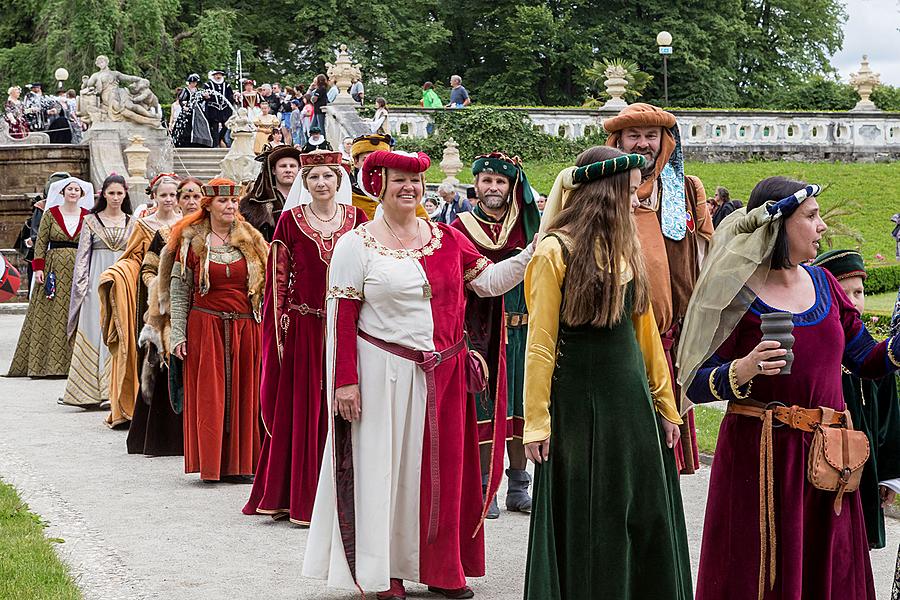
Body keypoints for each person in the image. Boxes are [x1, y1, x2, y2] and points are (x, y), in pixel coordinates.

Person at [302, 149, 534, 599]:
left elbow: (488, 283)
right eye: (398, 180)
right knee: (383, 472)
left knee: (441, 475)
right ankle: (383, 570)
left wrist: (535, 251)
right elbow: (342, 318)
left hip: (442, 375)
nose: (409, 188)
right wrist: (344, 381)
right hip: (379, 373)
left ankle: (441, 568)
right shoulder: (358, 243)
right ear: (378, 185)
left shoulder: (446, 238)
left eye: (415, 181)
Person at [678, 177, 900, 600]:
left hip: (830, 458)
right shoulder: (735, 294)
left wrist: (897, 348)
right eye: (811, 217)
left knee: (828, 569)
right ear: (779, 224)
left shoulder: (825, 286)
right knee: (755, 570)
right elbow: (692, 382)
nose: (821, 227)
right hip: (760, 459)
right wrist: (741, 370)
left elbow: (866, 360)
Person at [523, 147, 691, 599]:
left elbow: (646, 334)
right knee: (592, 512)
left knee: (640, 509)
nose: (639, 197)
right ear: (608, 191)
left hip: (631, 401)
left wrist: (665, 405)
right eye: (632, 188)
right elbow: (540, 342)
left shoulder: (627, 248)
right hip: (579, 401)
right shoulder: (554, 252)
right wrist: (537, 420)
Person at [244, 150, 367, 525]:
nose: (321, 184)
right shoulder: (289, 222)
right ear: (304, 183)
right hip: (304, 329)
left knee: (348, 406)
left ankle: (348, 496)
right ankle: (299, 495)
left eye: (328, 176)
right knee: (305, 410)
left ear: (339, 180)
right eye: (313, 178)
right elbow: (278, 283)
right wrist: (278, 333)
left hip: (347, 327)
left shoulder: (358, 221)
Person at [605, 102, 714, 474]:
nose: (643, 144)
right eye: (633, 135)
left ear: (665, 141)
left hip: (669, 339)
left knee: (663, 455)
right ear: (617, 141)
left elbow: (705, 261)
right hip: (616, 338)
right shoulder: (598, 190)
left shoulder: (685, 190)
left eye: (651, 136)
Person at [451, 152, 542, 519]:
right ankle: (485, 486)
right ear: (475, 184)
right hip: (480, 333)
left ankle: (519, 487)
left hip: (526, 329)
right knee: (484, 410)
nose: (492, 187)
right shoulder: (460, 227)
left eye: (500, 181)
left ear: (511, 186)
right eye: (486, 180)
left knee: (523, 408)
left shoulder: (528, 229)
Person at [166, 178, 268, 482]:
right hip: (205, 325)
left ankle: (243, 464)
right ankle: (212, 464)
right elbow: (180, 288)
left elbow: (266, 286)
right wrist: (177, 333)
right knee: (210, 396)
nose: (231, 206)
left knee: (246, 394)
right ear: (208, 205)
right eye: (224, 201)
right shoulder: (190, 240)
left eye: (234, 201)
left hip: (246, 327)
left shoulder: (251, 238)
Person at [811, 249, 900, 550]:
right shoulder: (820, 354)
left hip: (867, 467)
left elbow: (890, 416)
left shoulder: (875, 356)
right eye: (843, 292)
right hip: (826, 465)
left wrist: (889, 475)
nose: (853, 300)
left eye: (859, 292)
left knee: (859, 543)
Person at [97, 174, 183, 428]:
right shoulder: (145, 225)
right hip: (150, 296)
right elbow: (131, 258)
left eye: (172, 194)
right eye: (163, 195)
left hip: (180, 292)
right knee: (152, 353)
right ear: (154, 197)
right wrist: (119, 274)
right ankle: (147, 413)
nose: (168, 199)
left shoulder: (185, 223)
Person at [126, 177, 202, 455]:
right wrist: (160, 289)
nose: (191, 202)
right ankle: (165, 438)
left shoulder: (215, 233)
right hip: (168, 310)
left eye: (196, 196)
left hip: (205, 310)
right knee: (167, 366)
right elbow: (147, 269)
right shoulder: (165, 235)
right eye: (186, 197)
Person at [61, 174, 134, 410]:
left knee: (120, 330)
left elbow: (134, 256)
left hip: (122, 280)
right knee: (96, 330)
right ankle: (88, 391)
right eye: (111, 193)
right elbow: (82, 257)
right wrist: (82, 288)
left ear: (125, 195)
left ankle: (114, 391)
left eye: (119, 193)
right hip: (95, 282)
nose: (115, 197)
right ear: (103, 194)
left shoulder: (132, 222)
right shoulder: (91, 221)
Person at [8, 177, 93, 377]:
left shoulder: (88, 216)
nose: (73, 192)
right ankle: (44, 364)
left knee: (76, 311)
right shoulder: (51, 214)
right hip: (53, 267)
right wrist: (39, 268)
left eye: (76, 189)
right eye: (69, 189)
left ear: (82, 194)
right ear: (62, 192)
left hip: (78, 267)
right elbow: (41, 242)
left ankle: (76, 364)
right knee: (49, 311)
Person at [347, 133, 429, 221]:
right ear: (356, 162)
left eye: (381, 162)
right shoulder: (348, 198)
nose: (375, 167)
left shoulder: (406, 199)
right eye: (366, 160)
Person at [239, 145, 301, 242]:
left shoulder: (308, 199)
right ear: (273, 171)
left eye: (292, 166)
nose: (288, 170)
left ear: (299, 170)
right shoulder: (253, 204)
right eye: (283, 166)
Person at [172, 74, 212, 148]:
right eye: (192, 82)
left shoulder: (198, 91)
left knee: (202, 123)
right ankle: (184, 142)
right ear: (190, 82)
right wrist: (184, 106)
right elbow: (181, 100)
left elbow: (201, 99)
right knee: (186, 126)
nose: (194, 84)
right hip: (187, 111)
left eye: (195, 82)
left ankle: (198, 142)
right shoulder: (185, 90)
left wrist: (206, 97)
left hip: (196, 110)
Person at [203, 70, 234, 148]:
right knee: (214, 127)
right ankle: (215, 145)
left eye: (220, 75)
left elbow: (230, 96)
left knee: (226, 125)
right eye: (217, 75)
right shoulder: (208, 85)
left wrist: (235, 97)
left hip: (224, 109)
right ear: (214, 76)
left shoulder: (226, 85)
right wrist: (206, 96)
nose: (218, 76)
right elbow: (203, 95)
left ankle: (219, 139)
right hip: (213, 109)